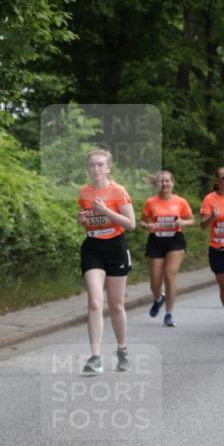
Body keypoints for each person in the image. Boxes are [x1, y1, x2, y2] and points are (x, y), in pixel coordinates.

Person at [77, 149, 136, 374]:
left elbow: (130, 224)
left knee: (116, 305)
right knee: (94, 301)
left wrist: (105, 211)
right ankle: (95, 357)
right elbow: (87, 220)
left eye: (100, 165)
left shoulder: (118, 191)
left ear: (108, 168)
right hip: (93, 247)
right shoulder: (84, 192)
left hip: (115, 247)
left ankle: (122, 350)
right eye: (92, 165)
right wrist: (81, 219)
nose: (96, 168)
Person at [140, 171, 194, 327]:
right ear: (157, 184)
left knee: (169, 276)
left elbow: (191, 220)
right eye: (161, 181)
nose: (164, 184)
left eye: (167, 181)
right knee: (154, 283)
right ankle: (158, 298)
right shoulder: (151, 202)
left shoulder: (180, 202)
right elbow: (142, 222)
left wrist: (183, 223)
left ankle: (169, 314)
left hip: (175, 241)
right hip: (156, 241)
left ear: (172, 183)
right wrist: (147, 226)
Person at [199, 165, 224, 334]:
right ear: (217, 181)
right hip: (217, 247)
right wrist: (213, 216)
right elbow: (203, 226)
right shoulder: (209, 199)